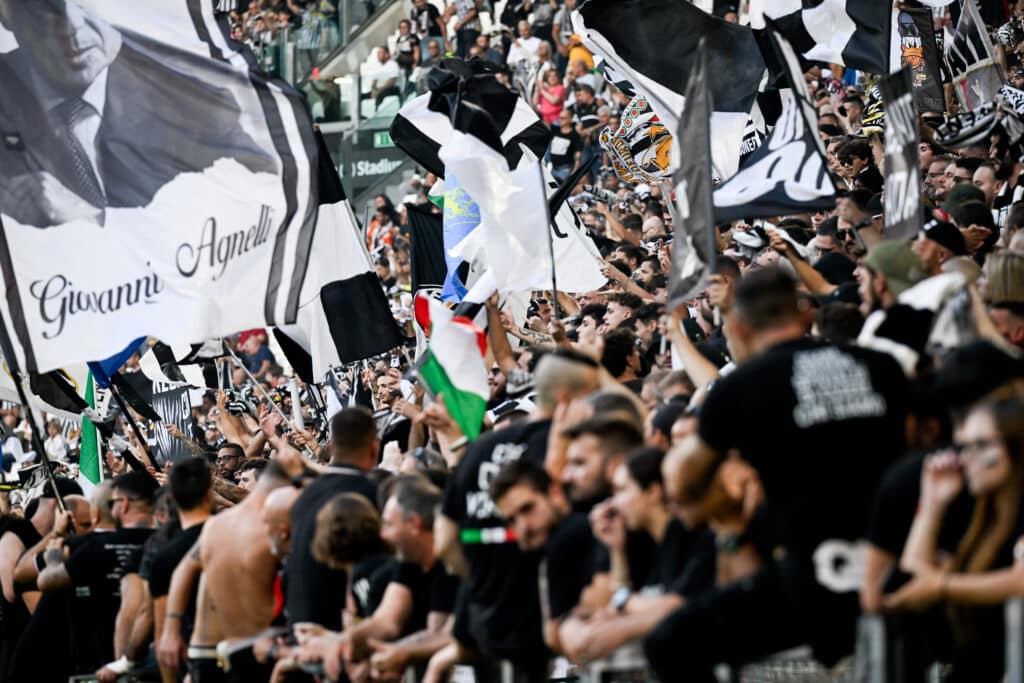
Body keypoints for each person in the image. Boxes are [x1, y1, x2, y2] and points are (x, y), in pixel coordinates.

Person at [644, 267, 910, 680]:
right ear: (805, 315)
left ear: (737, 326)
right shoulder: (881, 366)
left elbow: (680, 478)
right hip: (900, 565)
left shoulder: (741, 386)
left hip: (810, 579)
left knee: (668, 642)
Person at [0, 0, 273, 228]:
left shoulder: (195, 105)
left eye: (86, 5)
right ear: (7, 15)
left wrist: (93, 221)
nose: (75, 28)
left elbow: (265, 199)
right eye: (49, 12)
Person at [434, 349, 601, 680]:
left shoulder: (480, 448)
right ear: (569, 398)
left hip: (484, 621)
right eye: (593, 396)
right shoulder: (572, 451)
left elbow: (444, 541)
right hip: (548, 625)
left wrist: (484, 578)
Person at [885, 399, 1024, 681]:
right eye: (963, 446)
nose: (965, 457)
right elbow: (907, 583)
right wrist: (932, 503)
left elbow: (1021, 581)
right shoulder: (976, 517)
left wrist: (941, 586)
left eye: (981, 445)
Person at [157, 460, 293, 683]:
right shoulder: (263, 526)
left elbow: (183, 570)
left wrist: (171, 630)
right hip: (243, 648)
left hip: (219, 650)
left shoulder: (219, 524)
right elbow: (184, 570)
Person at [37, 471, 157, 674]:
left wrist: (54, 559)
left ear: (124, 504)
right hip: (165, 661)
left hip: (101, 664)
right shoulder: (169, 541)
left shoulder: (93, 545)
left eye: (113, 503)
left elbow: (46, 581)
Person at [285, 407, 378, 630]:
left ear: (330, 447)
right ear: (375, 448)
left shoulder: (303, 496)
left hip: (300, 625)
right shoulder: (370, 495)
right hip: (336, 632)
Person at [149, 458, 214, 683]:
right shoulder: (236, 534)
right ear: (209, 494)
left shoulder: (164, 557)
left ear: (174, 500)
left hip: (202, 659)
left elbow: (163, 639)